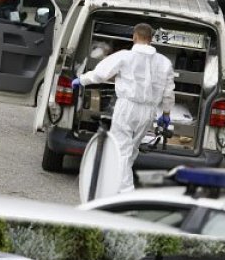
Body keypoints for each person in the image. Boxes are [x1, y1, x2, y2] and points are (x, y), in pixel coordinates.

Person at [73, 23, 176, 193]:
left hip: (127, 107)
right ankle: (113, 187)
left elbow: (100, 74)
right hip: (149, 111)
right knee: (131, 151)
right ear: (151, 40)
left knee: (120, 150)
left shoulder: (124, 56)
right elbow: (168, 92)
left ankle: (125, 195)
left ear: (134, 37)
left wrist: (82, 80)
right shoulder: (164, 63)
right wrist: (166, 113)